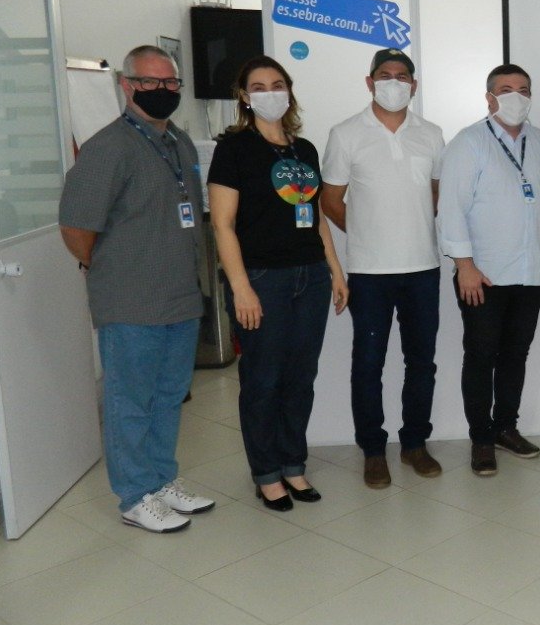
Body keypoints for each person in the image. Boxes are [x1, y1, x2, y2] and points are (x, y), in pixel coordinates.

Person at [59, 44, 215, 532]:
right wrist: (112, 268)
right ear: (127, 86)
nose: (161, 90)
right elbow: (76, 228)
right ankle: (133, 495)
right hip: (130, 303)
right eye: (150, 82)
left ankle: (161, 480)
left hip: (180, 297)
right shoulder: (108, 147)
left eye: (170, 82)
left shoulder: (179, 142)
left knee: (169, 396)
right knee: (130, 401)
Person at [207, 56, 348, 511]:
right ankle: (266, 473)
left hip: (311, 276)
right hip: (262, 279)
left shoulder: (303, 149)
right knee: (263, 378)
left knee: (301, 378)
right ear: (244, 97)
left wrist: (335, 268)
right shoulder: (234, 149)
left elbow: (316, 215)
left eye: (278, 84)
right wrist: (241, 288)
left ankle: (293, 463)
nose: (271, 93)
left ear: (289, 91)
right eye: (259, 86)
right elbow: (223, 225)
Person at [322, 48, 446, 488]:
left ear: (414, 84)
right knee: (368, 363)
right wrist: (364, 231)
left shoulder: (431, 134)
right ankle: (373, 450)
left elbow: (435, 193)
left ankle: (415, 443)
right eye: (385, 75)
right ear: (369, 81)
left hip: (422, 267)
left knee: (422, 362)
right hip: (369, 272)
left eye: (402, 76)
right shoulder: (345, 134)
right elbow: (330, 200)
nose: (394, 82)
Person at [438, 64, 540, 476]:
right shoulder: (468, 142)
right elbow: (451, 208)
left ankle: (506, 427)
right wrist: (464, 266)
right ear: (490, 98)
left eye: (523, 89)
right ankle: (481, 439)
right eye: (506, 89)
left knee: (515, 355)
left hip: (529, 273)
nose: (516, 97)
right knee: (481, 356)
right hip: (482, 275)